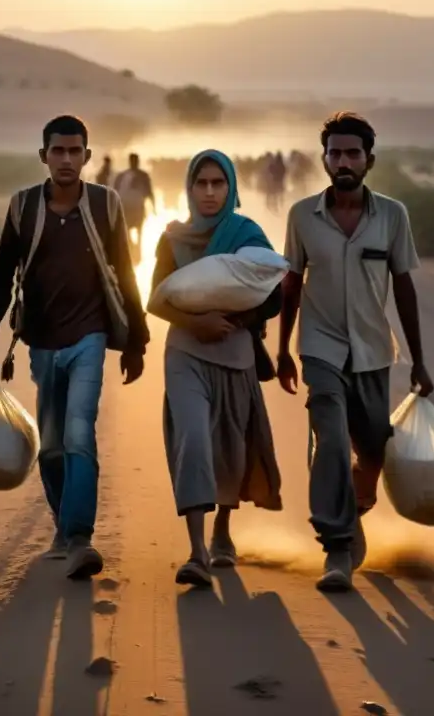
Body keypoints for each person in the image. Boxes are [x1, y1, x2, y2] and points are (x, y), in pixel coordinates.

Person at [0, 115, 150, 580]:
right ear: (44, 156)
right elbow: (0, 277)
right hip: (41, 343)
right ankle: (63, 523)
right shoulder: (23, 208)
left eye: (76, 152)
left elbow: (125, 275)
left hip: (89, 337)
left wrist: (137, 340)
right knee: (50, 447)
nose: (67, 160)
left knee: (78, 434)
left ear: (87, 157)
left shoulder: (105, 205)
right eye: (58, 151)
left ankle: (79, 539)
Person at [277, 112, 434, 593]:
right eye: (334, 153)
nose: (343, 161)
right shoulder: (303, 216)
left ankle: (355, 510)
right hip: (320, 348)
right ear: (324, 159)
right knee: (328, 439)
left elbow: (403, 287)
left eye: (352, 153)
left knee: (372, 449)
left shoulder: (392, 216)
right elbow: (290, 283)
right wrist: (282, 349)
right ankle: (337, 547)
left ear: (369, 159)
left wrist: (419, 359)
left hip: (372, 351)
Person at [148, 149, 283, 587]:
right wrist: (196, 321)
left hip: (236, 354)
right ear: (188, 189)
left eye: (217, 183)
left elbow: (274, 295)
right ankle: (197, 550)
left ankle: (224, 530)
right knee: (193, 440)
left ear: (230, 188)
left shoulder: (249, 234)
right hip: (185, 352)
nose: (208, 192)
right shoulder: (172, 238)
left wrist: (236, 322)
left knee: (231, 446)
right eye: (200, 183)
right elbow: (155, 299)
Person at [113, 153, 156, 262]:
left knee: (138, 231)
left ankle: (136, 253)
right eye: (132, 160)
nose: (134, 162)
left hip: (137, 208)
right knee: (128, 230)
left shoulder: (142, 176)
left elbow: (149, 192)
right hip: (127, 207)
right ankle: (133, 251)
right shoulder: (123, 176)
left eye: (135, 160)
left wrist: (154, 207)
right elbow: (114, 192)